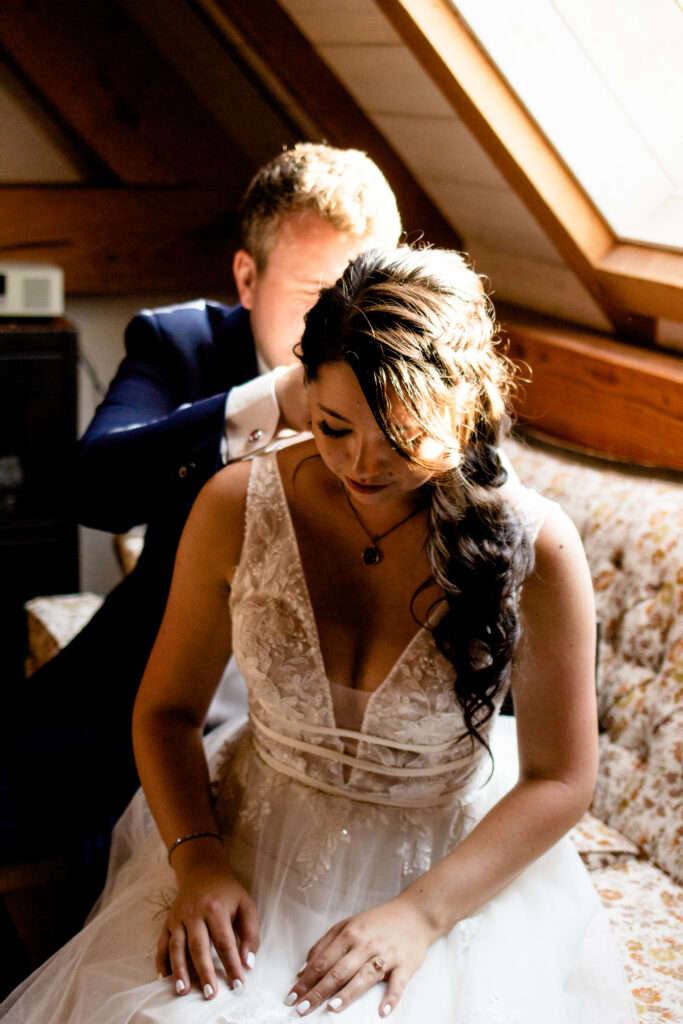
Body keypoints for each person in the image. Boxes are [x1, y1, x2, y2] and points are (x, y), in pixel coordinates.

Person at [0, 246, 636, 1023]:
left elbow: (561, 778)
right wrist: (198, 861)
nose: (361, 466)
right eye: (334, 427)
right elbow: (166, 711)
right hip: (247, 848)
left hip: (442, 875)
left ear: (463, 410)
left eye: (400, 439)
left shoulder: (537, 548)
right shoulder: (235, 504)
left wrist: (421, 915)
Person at [0, 143, 401, 884]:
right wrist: (271, 400)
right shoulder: (179, 341)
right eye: (319, 294)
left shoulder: (421, 378)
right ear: (247, 278)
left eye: (367, 292)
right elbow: (94, 489)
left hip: (339, 725)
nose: (349, 325)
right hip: (155, 681)